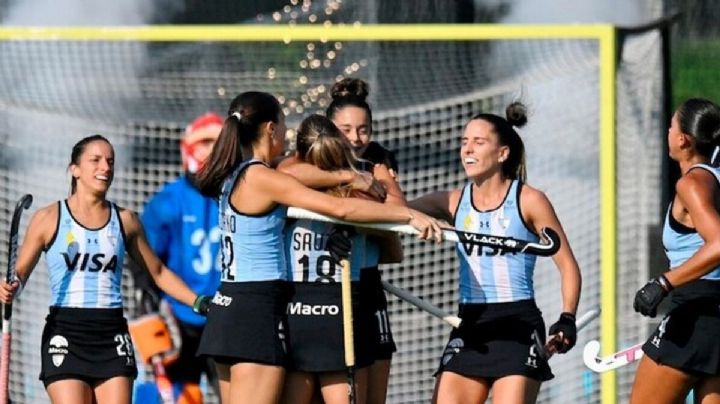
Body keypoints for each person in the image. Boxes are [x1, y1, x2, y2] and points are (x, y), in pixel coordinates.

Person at [193, 91, 444, 404]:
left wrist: (351, 177)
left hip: (228, 307)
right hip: (255, 311)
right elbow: (339, 209)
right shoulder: (263, 176)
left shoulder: (233, 173)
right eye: (283, 124)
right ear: (270, 128)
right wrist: (405, 213)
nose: (286, 132)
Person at [0, 134, 210, 404]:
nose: (105, 168)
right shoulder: (48, 218)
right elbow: (19, 276)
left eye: (110, 161)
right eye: (95, 160)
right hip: (66, 333)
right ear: (74, 169)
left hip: (111, 334)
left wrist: (198, 301)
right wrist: (10, 288)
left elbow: (157, 272)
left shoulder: (126, 221)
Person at [407, 102, 582, 404]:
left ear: (502, 154)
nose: (468, 150)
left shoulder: (529, 200)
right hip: (472, 325)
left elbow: (567, 265)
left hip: (518, 325)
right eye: (464, 142)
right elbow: (390, 213)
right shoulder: (451, 202)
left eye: (478, 142)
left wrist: (567, 318)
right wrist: (411, 215)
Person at [278, 114, 402, 404]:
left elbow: (284, 173)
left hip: (300, 315)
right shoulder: (360, 195)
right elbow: (395, 250)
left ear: (298, 153)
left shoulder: (281, 189)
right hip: (340, 315)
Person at [630, 98, 720, 404]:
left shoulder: (692, 183)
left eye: (671, 125)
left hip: (695, 316)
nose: (667, 131)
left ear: (682, 139)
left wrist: (663, 283)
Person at [133, 112, 223, 403]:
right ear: (188, 149)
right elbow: (144, 259)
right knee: (180, 397)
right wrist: (147, 301)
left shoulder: (241, 195)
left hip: (227, 316)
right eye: (204, 143)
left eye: (217, 143)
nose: (210, 151)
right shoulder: (167, 201)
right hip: (180, 316)